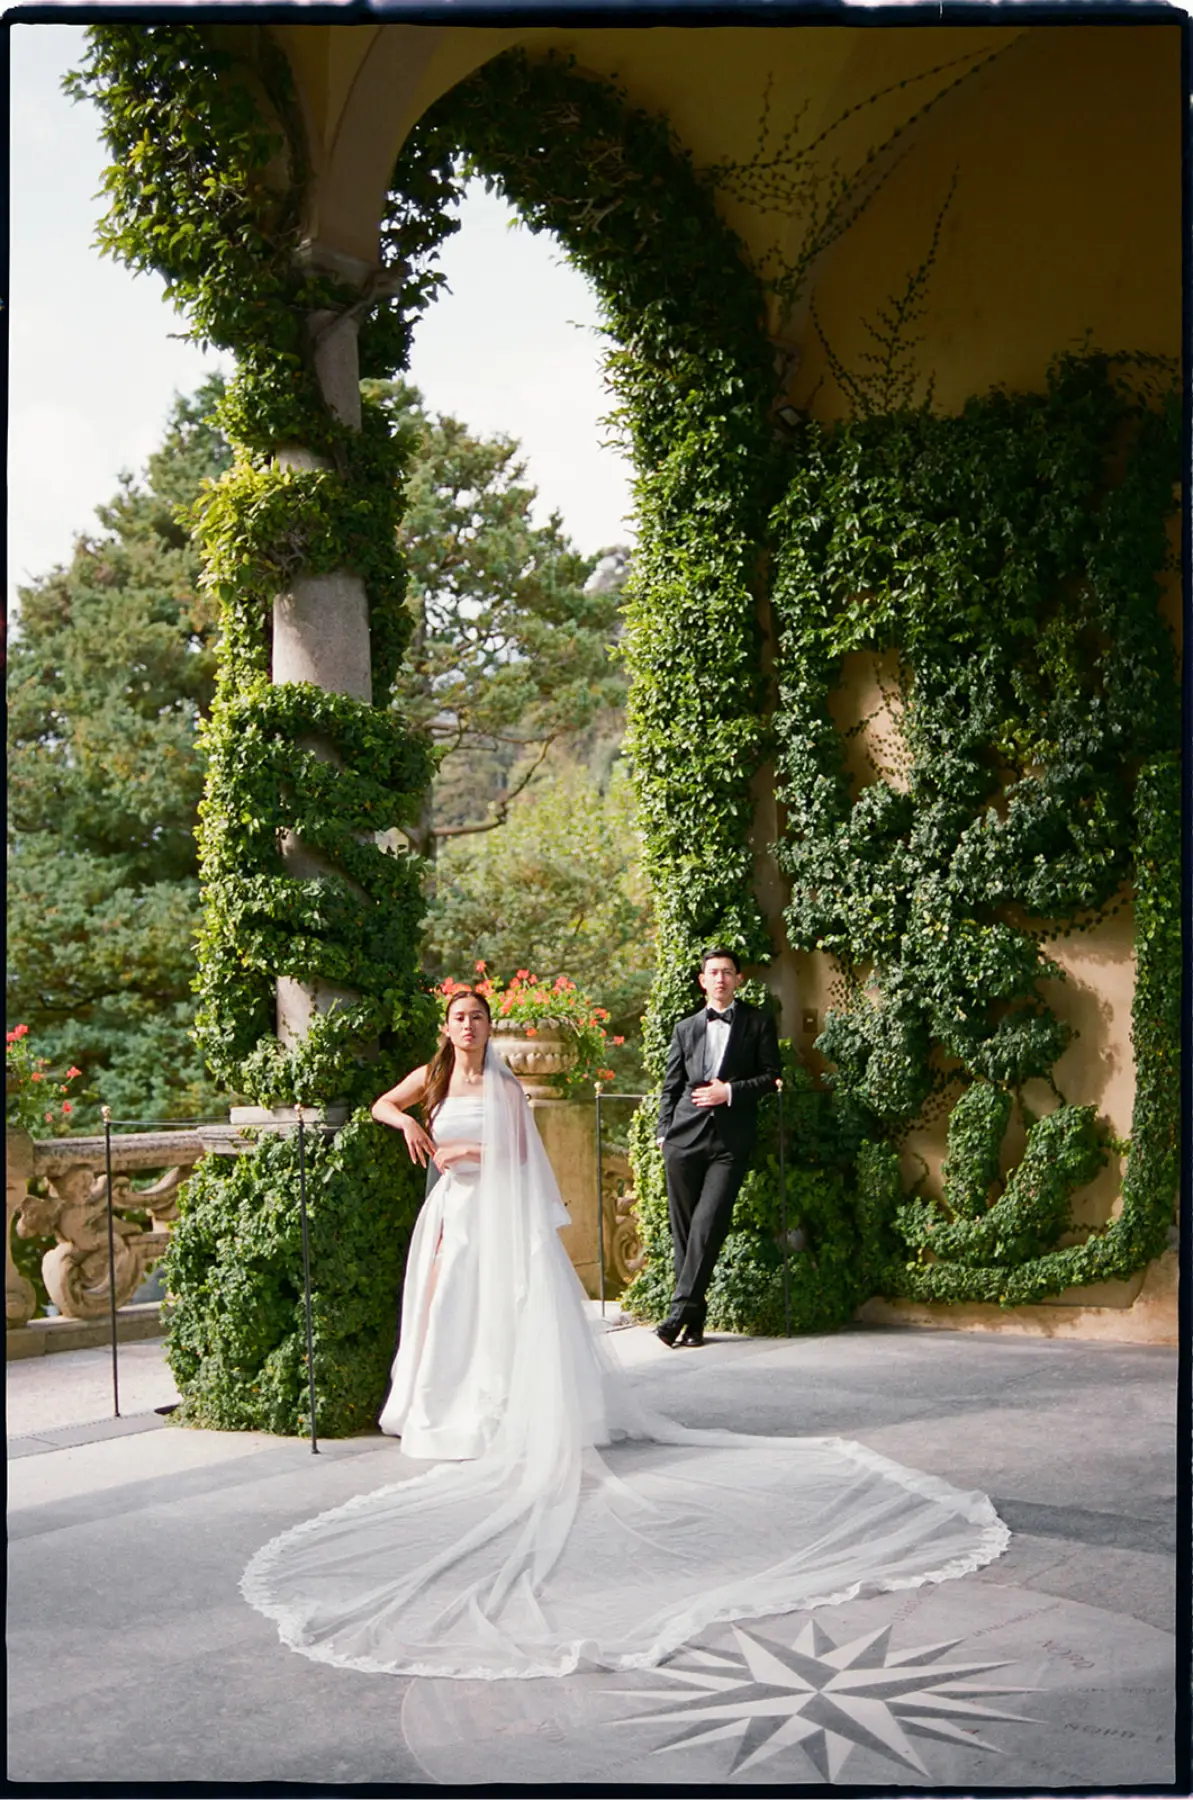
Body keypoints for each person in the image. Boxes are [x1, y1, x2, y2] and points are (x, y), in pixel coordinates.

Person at [240, 983, 1009, 1682]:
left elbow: (522, 1158)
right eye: (458, 1018)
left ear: (488, 1027)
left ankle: (491, 1412)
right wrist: (413, 1124)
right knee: (444, 1312)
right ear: (446, 1027)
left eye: (476, 1018)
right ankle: (437, 1411)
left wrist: (469, 1152)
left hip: (492, 1209)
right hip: (450, 1211)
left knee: (486, 1314)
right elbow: (382, 1104)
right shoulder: (434, 1075)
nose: (467, 1027)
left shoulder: (504, 1086)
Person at [655, 948, 781, 1347]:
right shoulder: (685, 1028)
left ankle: (677, 1313)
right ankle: (693, 1323)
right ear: (703, 980)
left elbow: (771, 1076)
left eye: (727, 972)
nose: (720, 979)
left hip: (730, 1141)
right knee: (684, 1233)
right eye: (713, 972)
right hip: (683, 1139)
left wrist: (730, 1092)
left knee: (707, 1226)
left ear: (738, 979)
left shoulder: (758, 1022)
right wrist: (663, 1133)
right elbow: (671, 1086)